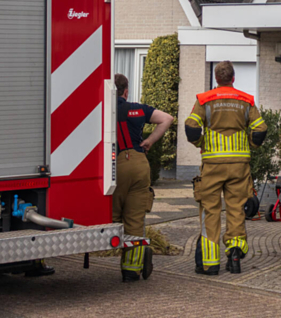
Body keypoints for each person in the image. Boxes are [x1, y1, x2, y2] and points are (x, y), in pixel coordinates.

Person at [185, 61, 267, 275]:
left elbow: (191, 128)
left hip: (212, 166)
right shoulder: (245, 100)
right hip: (239, 166)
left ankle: (210, 264)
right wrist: (250, 145)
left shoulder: (204, 100)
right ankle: (235, 255)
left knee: (210, 211)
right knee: (236, 209)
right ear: (233, 78)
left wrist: (202, 144)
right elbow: (260, 129)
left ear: (216, 78)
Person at [112, 73, 174, 282]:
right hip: (139, 164)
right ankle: (131, 270)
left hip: (114, 165)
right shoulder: (136, 109)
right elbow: (167, 118)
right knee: (135, 220)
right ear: (126, 91)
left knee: (110, 214)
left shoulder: (102, 110)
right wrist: (149, 141)